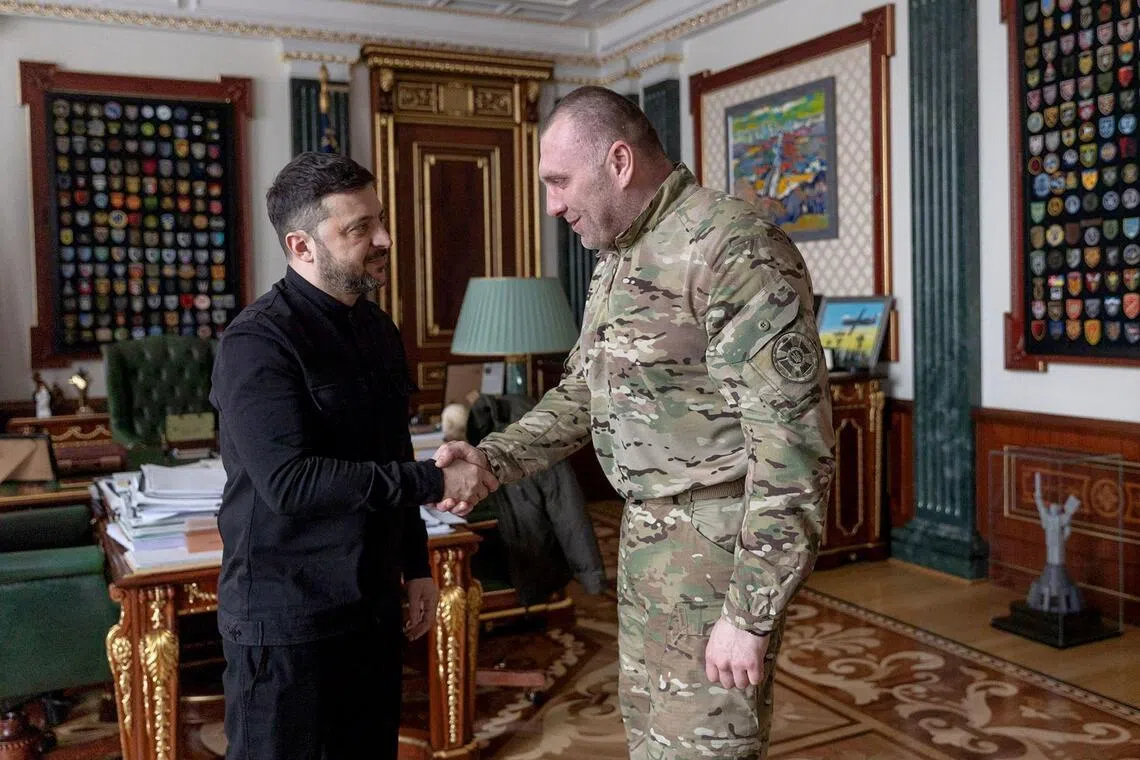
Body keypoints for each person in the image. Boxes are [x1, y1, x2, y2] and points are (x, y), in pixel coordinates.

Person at [435, 86, 835, 760]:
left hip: (716, 557)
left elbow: (794, 450)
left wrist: (750, 613)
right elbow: (582, 395)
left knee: (706, 749)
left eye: (559, 181)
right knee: (652, 742)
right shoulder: (620, 256)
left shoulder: (731, 248)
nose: (552, 204)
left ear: (618, 161)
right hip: (647, 545)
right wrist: (491, 459)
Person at [210, 151, 498, 760]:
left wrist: (416, 565)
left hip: (369, 605)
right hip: (285, 618)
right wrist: (431, 479)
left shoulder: (377, 329)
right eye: (359, 228)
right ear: (301, 245)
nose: (385, 239)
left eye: (380, 220)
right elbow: (290, 483)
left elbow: (387, 450)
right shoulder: (255, 343)